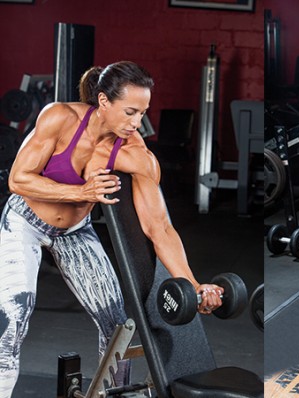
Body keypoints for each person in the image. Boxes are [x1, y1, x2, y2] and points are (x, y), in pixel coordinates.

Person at [0, 61, 223, 396]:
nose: (137, 124)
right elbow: (18, 179)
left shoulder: (136, 155)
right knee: (13, 322)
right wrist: (80, 192)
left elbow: (159, 228)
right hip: (25, 223)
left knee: (118, 328)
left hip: (74, 232)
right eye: (130, 112)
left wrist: (192, 284)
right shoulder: (60, 118)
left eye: (143, 113)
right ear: (103, 101)